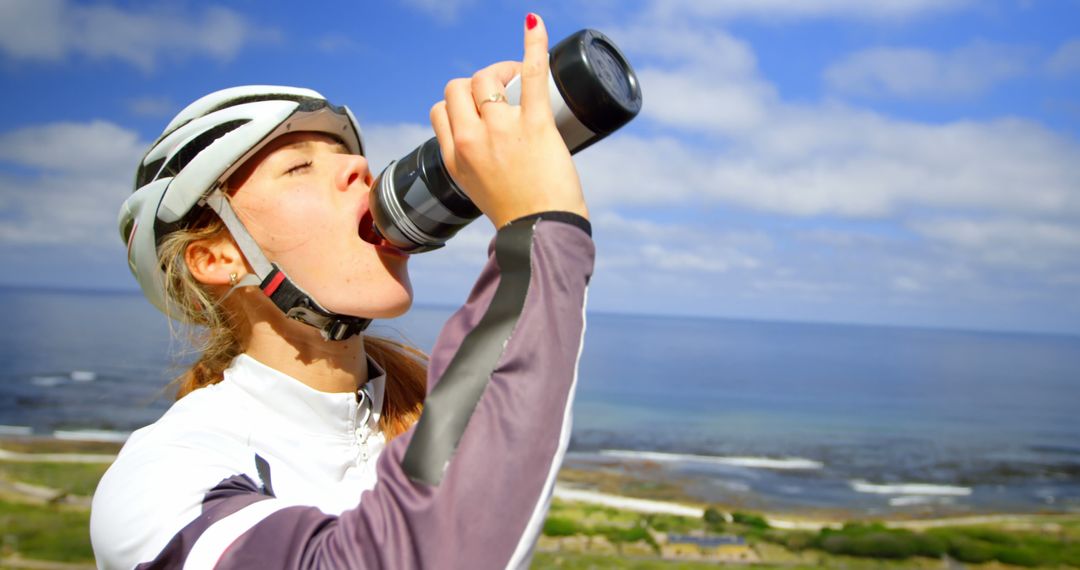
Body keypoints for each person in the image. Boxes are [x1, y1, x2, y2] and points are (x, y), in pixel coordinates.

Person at [90, 14, 594, 569]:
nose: (360, 166)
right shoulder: (162, 479)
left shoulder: (422, 412)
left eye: (348, 155)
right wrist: (536, 231)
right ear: (218, 259)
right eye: (300, 167)